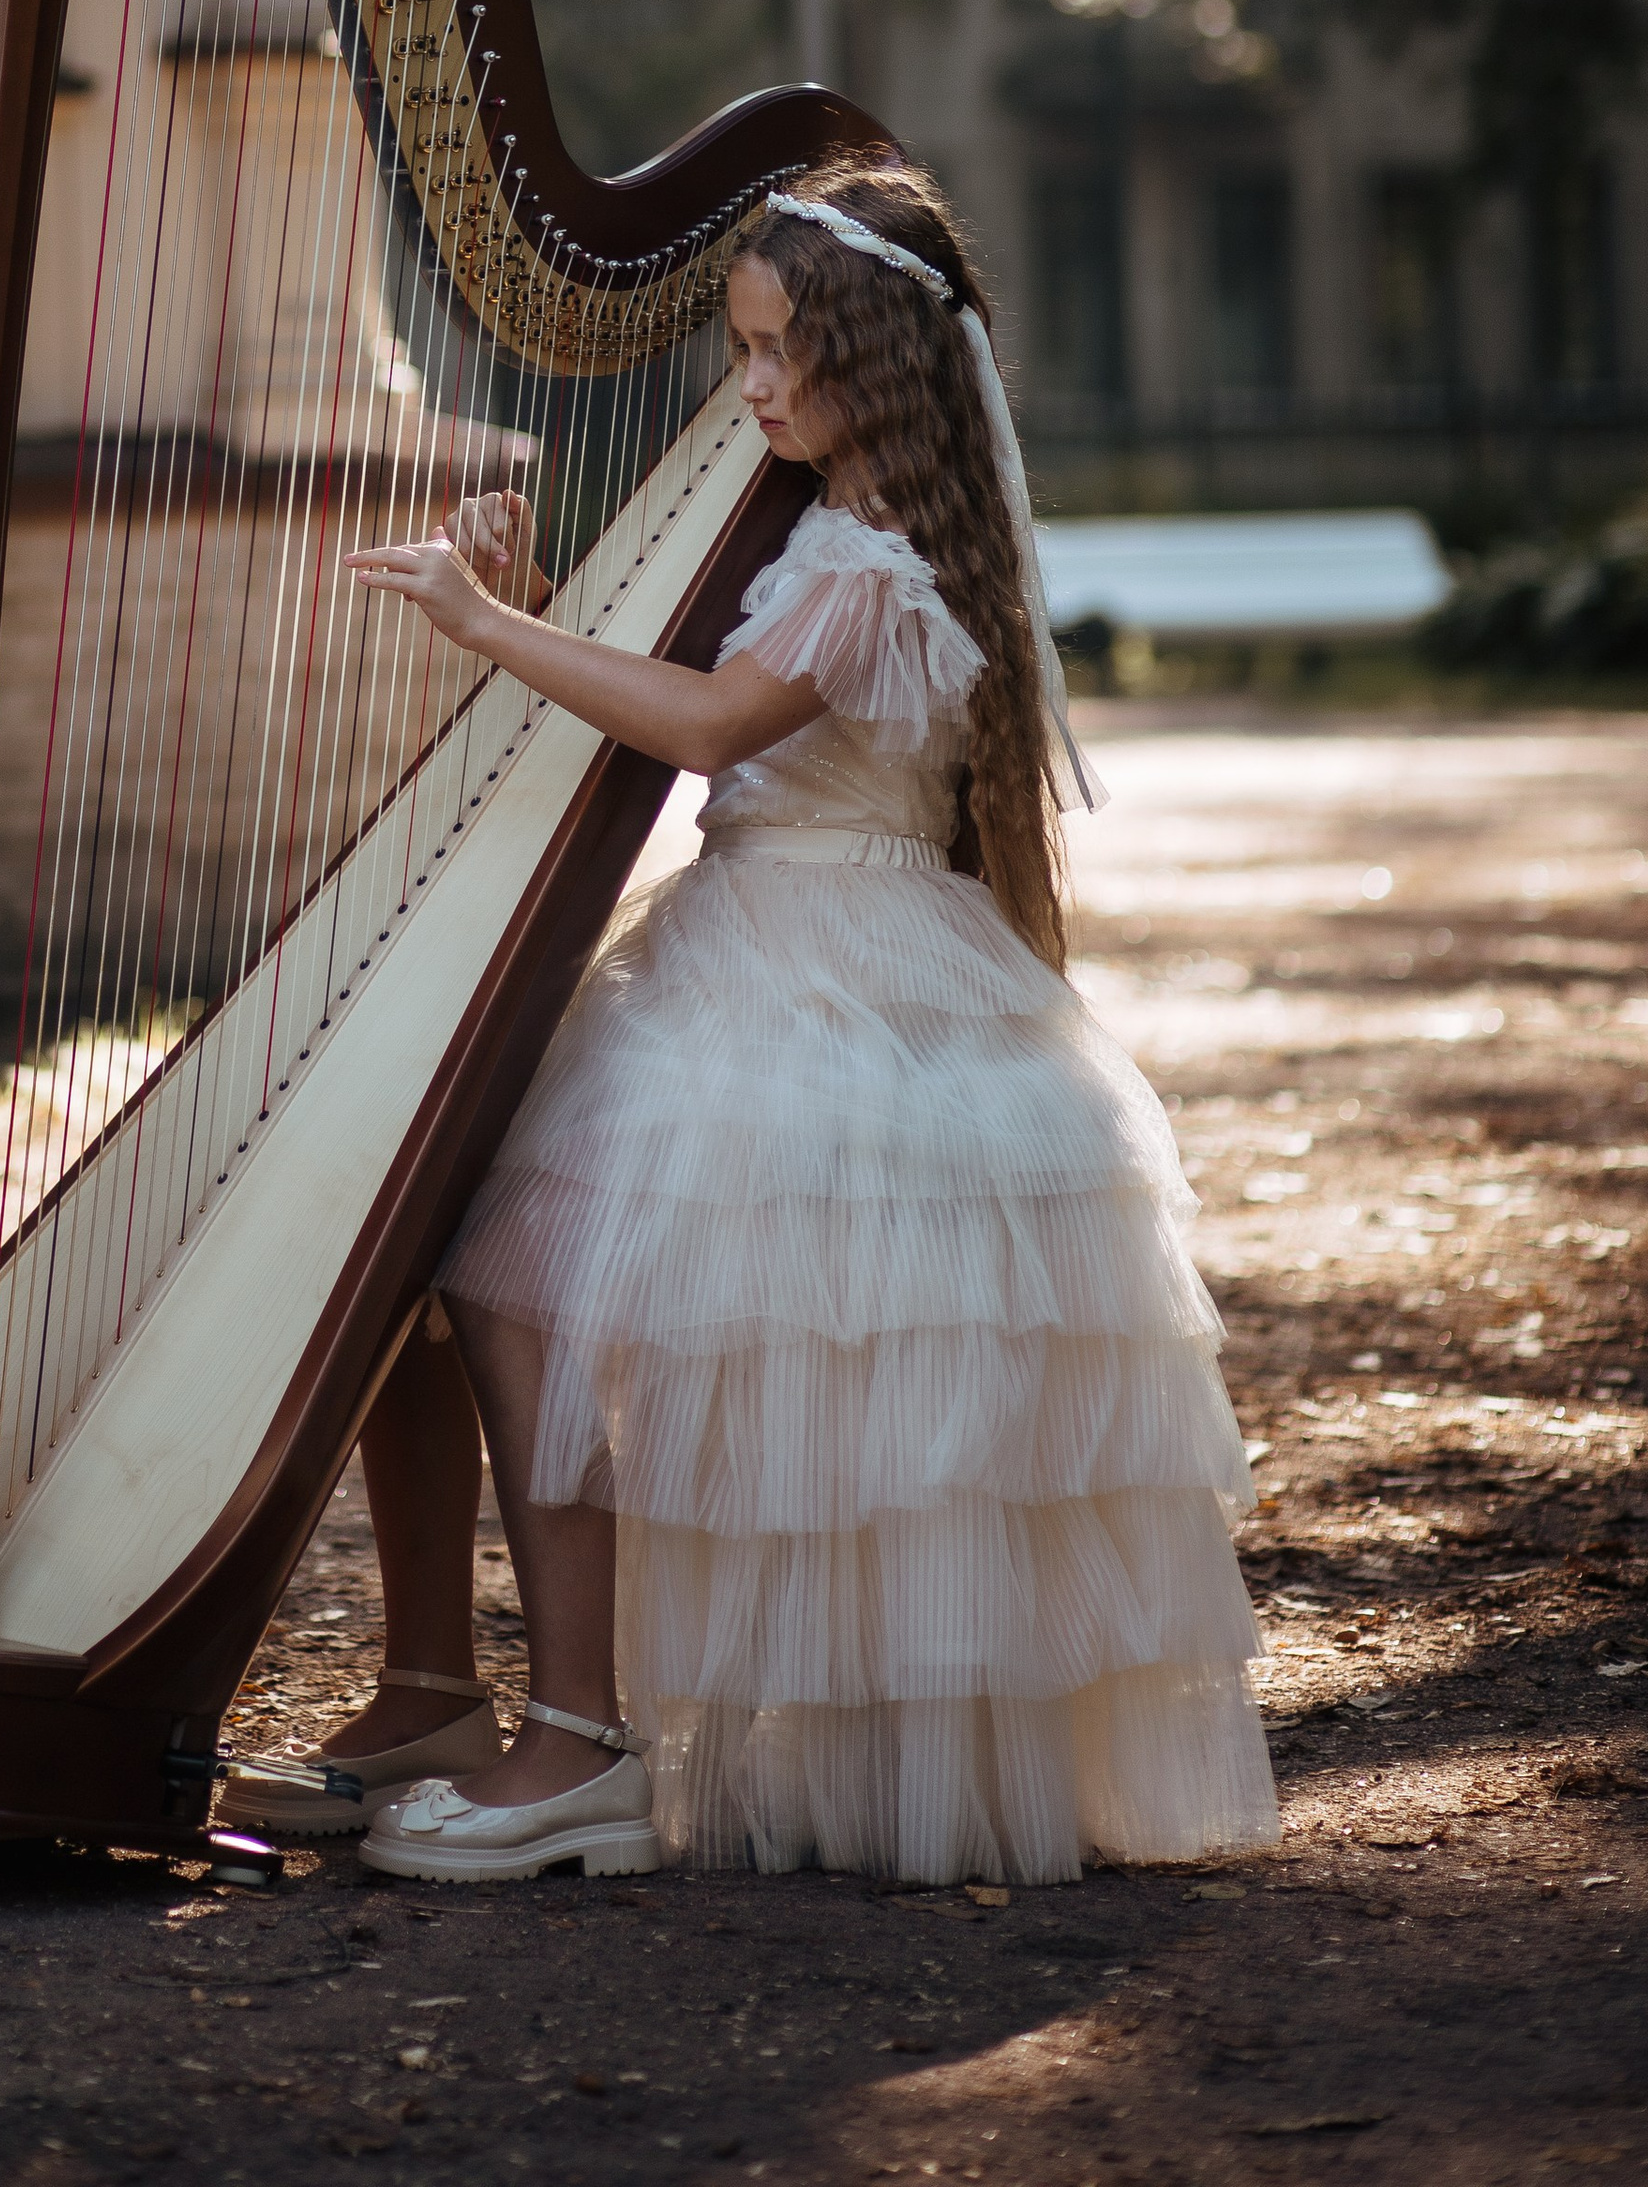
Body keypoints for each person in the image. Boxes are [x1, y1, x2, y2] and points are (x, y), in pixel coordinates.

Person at [226, 154, 1279, 1890]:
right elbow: (702, 697)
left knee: (511, 1272)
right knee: (452, 1262)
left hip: (827, 976)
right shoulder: (823, 529)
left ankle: (582, 1745)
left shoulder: (879, 560)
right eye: (739, 346)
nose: (753, 382)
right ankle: (443, 1692)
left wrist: (492, 629)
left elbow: (714, 729)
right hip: (759, 943)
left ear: (874, 354)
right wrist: (546, 596)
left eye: (782, 348)